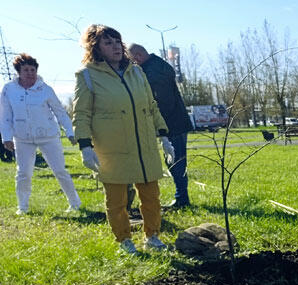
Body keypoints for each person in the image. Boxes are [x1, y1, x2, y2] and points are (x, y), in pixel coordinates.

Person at [73, 24, 175, 254]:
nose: (116, 46)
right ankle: (124, 240)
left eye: (117, 41)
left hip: (144, 146)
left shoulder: (137, 72)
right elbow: (81, 113)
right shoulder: (87, 75)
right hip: (112, 147)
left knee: (151, 196)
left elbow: (151, 106)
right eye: (108, 43)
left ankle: (153, 236)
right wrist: (85, 146)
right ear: (95, 47)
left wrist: (164, 135)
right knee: (117, 201)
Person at [0, 53, 82, 215]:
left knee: (60, 171)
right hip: (22, 138)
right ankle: (22, 207)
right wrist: (7, 137)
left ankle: (75, 203)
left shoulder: (45, 89)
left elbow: (60, 111)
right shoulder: (9, 90)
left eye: (33, 69)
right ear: (19, 71)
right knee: (23, 173)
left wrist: (69, 131)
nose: (30, 73)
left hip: (48, 136)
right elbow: (5, 115)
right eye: (26, 70)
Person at [128, 43, 193, 209]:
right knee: (174, 160)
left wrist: (158, 124)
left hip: (172, 123)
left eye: (131, 60)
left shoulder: (154, 72)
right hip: (173, 122)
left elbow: (162, 102)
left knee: (176, 161)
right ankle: (181, 196)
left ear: (138, 56)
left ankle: (182, 198)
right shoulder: (157, 66)